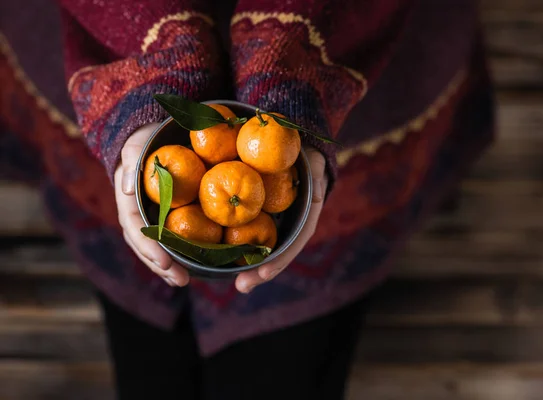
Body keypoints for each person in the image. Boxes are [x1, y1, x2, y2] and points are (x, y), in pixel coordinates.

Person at [0, 0, 494, 398]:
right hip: (108, 30)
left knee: (288, 359)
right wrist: (149, 73)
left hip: (351, 41)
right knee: (144, 338)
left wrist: (291, 71)